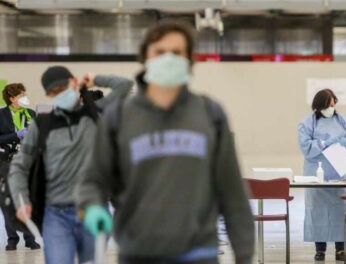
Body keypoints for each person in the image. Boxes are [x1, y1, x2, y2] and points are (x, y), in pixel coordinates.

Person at [76, 20, 255, 264]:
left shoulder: (210, 115)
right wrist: (93, 205)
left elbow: (233, 192)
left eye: (177, 53)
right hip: (138, 253)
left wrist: (245, 256)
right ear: (145, 58)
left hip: (198, 252)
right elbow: (93, 180)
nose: (168, 59)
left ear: (190, 60)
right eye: (160, 52)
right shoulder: (119, 117)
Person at [8, 68, 133, 264]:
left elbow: (124, 86)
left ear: (74, 83)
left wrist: (94, 80)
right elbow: (20, 165)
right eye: (54, 91)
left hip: (93, 210)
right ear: (49, 95)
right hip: (56, 215)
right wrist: (21, 199)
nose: (60, 94)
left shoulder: (95, 113)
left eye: (63, 87)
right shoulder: (42, 124)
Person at [298, 89, 346, 262]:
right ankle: (320, 249)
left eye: (333, 103)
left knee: (340, 210)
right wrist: (324, 143)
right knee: (317, 211)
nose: (331, 107)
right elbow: (305, 147)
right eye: (327, 104)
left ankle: (340, 249)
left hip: (339, 173)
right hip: (316, 174)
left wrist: (345, 142)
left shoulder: (344, 122)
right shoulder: (307, 124)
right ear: (319, 106)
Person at [0, 83, 40, 250]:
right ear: (12, 98)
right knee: (9, 200)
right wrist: (15, 135)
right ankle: (12, 239)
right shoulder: (1, 115)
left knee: (28, 198)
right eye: (21, 95)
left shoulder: (31, 114)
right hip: (7, 161)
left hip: (28, 161)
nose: (25, 97)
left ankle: (30, 238)